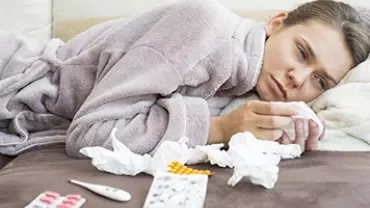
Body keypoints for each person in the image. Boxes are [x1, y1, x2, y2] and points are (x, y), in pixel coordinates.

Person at [0, 0, 369, 158]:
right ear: (276, 24)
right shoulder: (205, 27)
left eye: (320, 82)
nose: (297, 78)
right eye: (302, 52)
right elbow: (89, 136)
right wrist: (221, 128)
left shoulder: (245, 83)